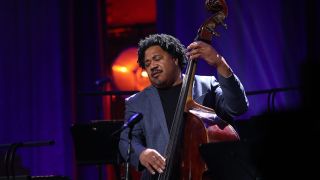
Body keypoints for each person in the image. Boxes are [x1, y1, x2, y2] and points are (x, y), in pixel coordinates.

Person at [118, 33, 249, 179]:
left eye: (157, 59)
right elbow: (126, 141)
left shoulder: (207, 85)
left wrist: (220, 64)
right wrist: (142, 153)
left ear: (175, 59)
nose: (152, 66)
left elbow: (238, 108)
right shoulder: (136, 102)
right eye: (147, 64)